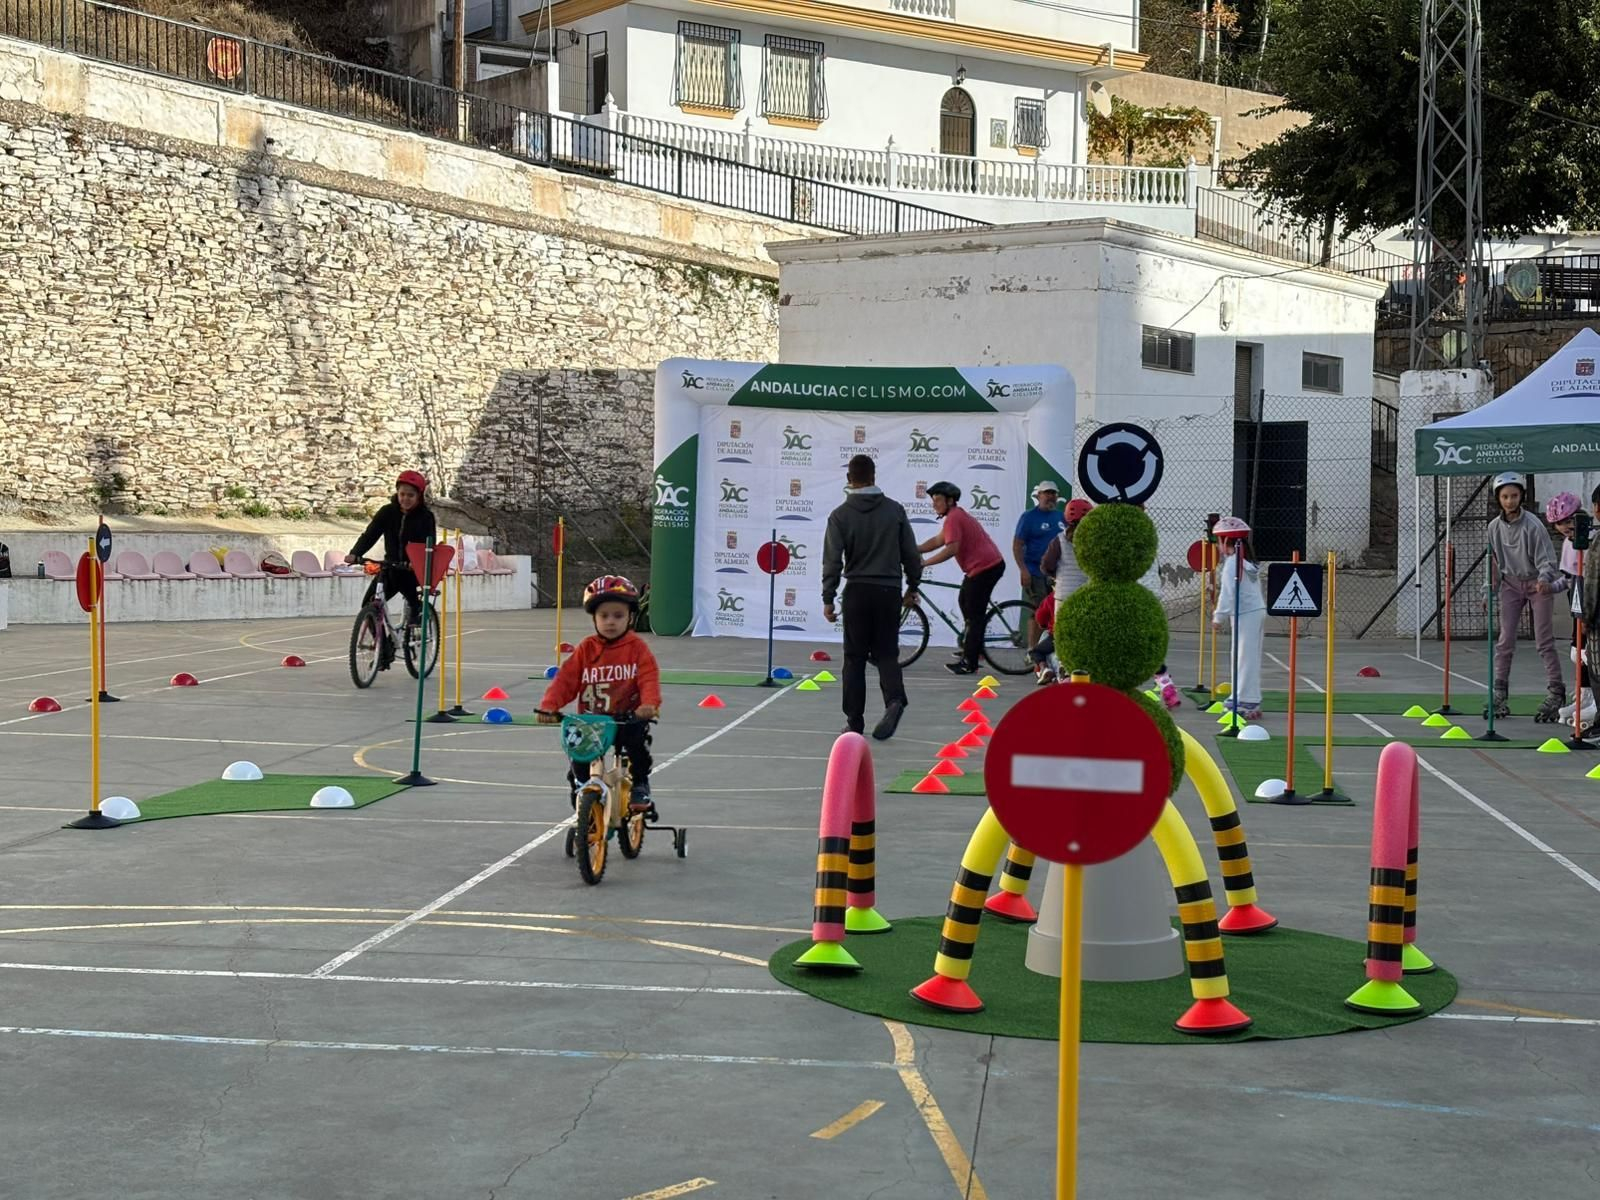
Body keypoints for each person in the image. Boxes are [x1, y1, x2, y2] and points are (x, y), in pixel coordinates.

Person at [536, 575, 661, 812]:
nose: (610, 622)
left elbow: (648, 677)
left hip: (626, 718)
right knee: (578, 760)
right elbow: (566, 680)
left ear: (630, 617)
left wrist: (649, 704)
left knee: (637, 749)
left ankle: (641, 786)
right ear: (594, 618)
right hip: (591, 721)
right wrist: (549, 706)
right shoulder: (586, 648)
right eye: (604, 616)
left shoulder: (637, 649)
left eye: (618, 615)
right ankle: (582, 790)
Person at [821, 454, 922, 740]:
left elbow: (832, 561)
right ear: (875, 476)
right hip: (889, 591)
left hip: (857, 591)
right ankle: (894, 701)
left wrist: (828, 597)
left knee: (854, 658)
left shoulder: (840, 515)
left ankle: (854, 722)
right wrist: (912, 586)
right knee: (887, 653)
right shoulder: (895, 511)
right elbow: (911, 555)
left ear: (848, 479)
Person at [1487, 472, 1564, 721]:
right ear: (1498, 499)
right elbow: (1494, 562)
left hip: (1536, 585)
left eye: (1514, 496)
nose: (1510, 501)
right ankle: (1499, 692)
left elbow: (1546, 558)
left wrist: (1544, 579)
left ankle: (1556, 691)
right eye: (1505, 496)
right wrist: (1489, 589)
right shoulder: (1494, 528)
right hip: (1510, 584)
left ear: (1522, 497)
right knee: (1505, 640)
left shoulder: (1533, 525)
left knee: (1543, 641)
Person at [345, 470, 438, 668]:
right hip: (390, 566)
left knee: (408, 591)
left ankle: (416, 609)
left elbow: (429, 544)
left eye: (411, 495)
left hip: (413, 569)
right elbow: (370, 534)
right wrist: (355, 554)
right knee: (368, 604)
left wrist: (417, 562)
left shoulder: (425, 517)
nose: (405, 499)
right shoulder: (387, 512)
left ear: (419, 496)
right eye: (402, 494)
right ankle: (384, 648)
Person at [919, 481, 1006, 675]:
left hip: (986, 567)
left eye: (938, 500)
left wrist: (925, 563)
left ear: (950, 501)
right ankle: (973, 646)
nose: (934, 504)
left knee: (975, 615)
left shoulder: (954, 518)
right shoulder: (954, 516)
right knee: (964, 601)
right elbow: (937, 541)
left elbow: (951, 549)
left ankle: (970, 662)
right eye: (933, 500)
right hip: (982, 567)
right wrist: (915, 549)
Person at [1035, 498, 1094, 684]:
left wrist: (1057, 576)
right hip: (1087, 596)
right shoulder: (1095, 541)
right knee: (1085, 635)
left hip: (1063, 596)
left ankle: (1064, 671)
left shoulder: (1059, 540)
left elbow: (1046, 565)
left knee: (1064, 636)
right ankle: (1084, 671)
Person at [1212, 517, 1265, 721]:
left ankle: (1246, 700)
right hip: (1251, 612)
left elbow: (1228, 593)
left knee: (1244, 657)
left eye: (1219, 541)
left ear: (1227, 541)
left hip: (1247, 613)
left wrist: (1218, 617)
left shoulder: (1233, 564)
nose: (1218, 546)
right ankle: (1243, 696)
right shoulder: (1244, 561)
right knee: (1244, 656)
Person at [1013, 482, 1064, 650]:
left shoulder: (1061, 517)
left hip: (1057, 574)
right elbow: (1017, 545)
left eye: (1053, 493)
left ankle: (1052, 650)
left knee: (1057, 611)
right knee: (1039, 610)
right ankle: (1032, 650)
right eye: (1046, 493)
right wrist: (1023, 570)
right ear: (1039, 496)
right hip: (1035, 572)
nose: (1050, 497)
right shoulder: (1028, 517)